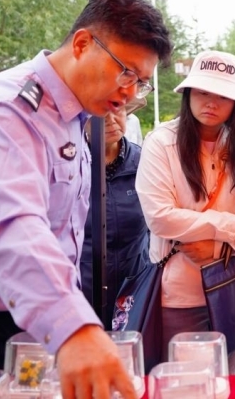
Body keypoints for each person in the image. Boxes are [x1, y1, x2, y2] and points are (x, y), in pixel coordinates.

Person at [0, 0, 173, 399]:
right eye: (125, 73)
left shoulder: (73, 115)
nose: (130, 93)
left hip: (30, 317)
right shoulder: (8, 110)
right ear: (82, 44)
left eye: (141, 83)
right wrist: (74, 329)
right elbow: (13, 227)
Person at [135, 50, 235, 374]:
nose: (211, 102)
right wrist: (231, 225)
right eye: (202, 92)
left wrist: (216, 249)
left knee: (229, 377)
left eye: (223, 95)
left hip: (231, 288)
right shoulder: (162, 143)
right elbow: (160, 217)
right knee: (185, 381)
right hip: (179, 294)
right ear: (188, 94)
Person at [80, 97, 150, 329]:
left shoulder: (144, 163)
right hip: (83, 288)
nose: (110, 120)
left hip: (135, 286)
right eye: (101, 112)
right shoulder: (72, 165)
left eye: (118, 110)